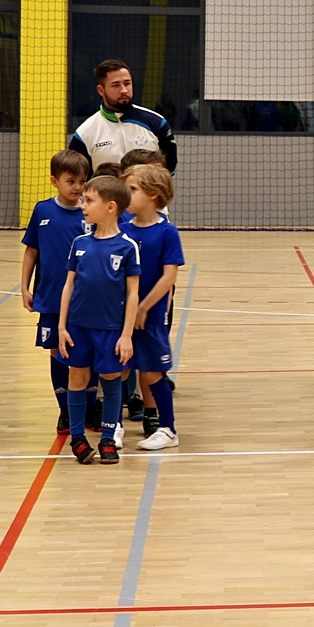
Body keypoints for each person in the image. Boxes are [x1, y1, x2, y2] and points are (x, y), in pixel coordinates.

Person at [58, 174, 141, 465]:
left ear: (110, 207)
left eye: (89, 200)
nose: (83, 205)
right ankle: (77, 438)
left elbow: (133, 293)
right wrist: (62, 326)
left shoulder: (127, 247)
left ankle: (108, 438)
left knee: (111, 379)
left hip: (110, 329)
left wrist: (126, 335)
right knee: (77, 377)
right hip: (78, 327)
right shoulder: (79, 243)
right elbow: (69, 286)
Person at [21, 149, 94, 434]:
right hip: (51, 298)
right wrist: (25, 287)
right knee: (57, 352)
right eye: (71, 181)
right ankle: (65, 410)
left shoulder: (91, 213)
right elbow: (31, 251)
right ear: (55, 181)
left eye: (82, 181)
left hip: (85, 299)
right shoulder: (43, 211)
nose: (77, 187)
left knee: (88, 350)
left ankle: (90, 408)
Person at [123, 164, 185, 451]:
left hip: (150, 316)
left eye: (133, 189)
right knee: (117, 370)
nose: (126, 195)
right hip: (121, 316)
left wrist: (144, 308)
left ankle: (168, 428)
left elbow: (169, 276)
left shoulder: (166, 232)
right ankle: (114, 426)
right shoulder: (122, 231)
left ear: (153, 194)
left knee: (151, 372)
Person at [70, 58, 177, 173]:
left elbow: (169, 170)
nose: (124, 90)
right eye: (116, 85)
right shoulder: (84, 133)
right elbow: (78, 176)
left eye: (127, 83)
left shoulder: (157, 122)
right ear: (101, 90)